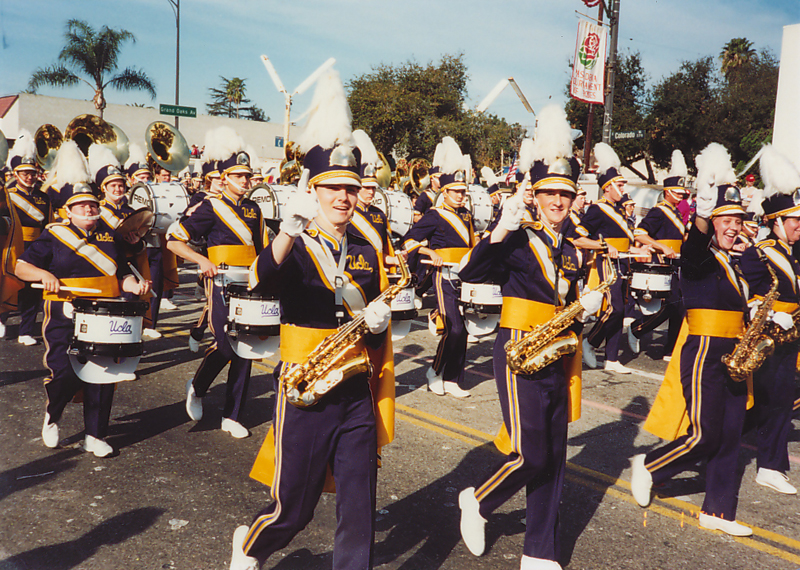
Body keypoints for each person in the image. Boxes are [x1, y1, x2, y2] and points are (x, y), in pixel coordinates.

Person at [229, 69, 394, 570]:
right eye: (332, 188)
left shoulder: (366, 248)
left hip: (354, 388)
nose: (343, 197)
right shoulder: (295, 244)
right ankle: (252, 544)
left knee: (360, 503)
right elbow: (260, 281)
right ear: (314, 190)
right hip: (305, 387)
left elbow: (374, 305)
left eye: (351, 187)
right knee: (294, 508)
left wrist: (381, 319)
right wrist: (285, 233)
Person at [457, 105, 603, 570]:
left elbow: (567, 299)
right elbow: (472, 271)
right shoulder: (518, 236)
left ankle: (539, 551)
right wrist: (500, 226)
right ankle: (477, 500)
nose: (558, 202)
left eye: (565, 194)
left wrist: (587, 308)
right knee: (530, 451)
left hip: (558, 348)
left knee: (555, 454)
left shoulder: (572, 244)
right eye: (550, 194)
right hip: (519, 347)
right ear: (535, 195)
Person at [632, 142, 762, 537]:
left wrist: (751, 256)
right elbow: (692, 247)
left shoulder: (739, 261)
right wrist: (702, 220)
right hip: (705, 351)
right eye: (726, 220)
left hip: (737, 351)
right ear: (712, 220)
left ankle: (718, 511)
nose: (733, 227)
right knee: (706, 434)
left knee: (730, 436)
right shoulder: (700, 259)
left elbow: (759, 285)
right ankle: (651, 466)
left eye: (738, 220)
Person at [14, 172, 150, 457]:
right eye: (81, 205)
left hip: (104, 310)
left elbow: (121, 272)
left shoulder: (109, 235)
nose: (89, 208)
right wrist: (44, 274)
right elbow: (21, 267)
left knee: (102, 372)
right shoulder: (53, 234)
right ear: (68, 212)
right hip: (65, 309)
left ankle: (95, 435)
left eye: (92, 204)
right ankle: (53, 414)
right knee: (64, 372)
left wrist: (134, 286)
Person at [168, 128, 267, 439]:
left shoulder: (255, 209)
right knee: (225, 344)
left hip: (249, 283)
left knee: (247, 346)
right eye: (238, 176)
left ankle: (232, 415)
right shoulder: (209, 206)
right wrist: (202, 261)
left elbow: (263, 250)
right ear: (224, 178)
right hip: (221, 282)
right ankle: (197, 387)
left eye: (247, 176)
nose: (245, 181)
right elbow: (174, 241)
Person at [739, 145, 800, 495]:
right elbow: (743, 293)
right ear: (775, 222)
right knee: (772, 401)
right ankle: (769, 466)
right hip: (768, 336)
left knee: (775, 402)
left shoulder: (794, 254)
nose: (799, 226)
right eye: (794, 220)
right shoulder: (758, 254)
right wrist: (770, 311)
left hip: (792, 336)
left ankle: (767, 460)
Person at [403, 136, 475, 398]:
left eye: (463, 191)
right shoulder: (434, 214)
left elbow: (471, 244)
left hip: (464, 277)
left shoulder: (467, 214)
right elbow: (408, 241)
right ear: (444, 192)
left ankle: (454, 378)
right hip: (443, 277)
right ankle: (434, 371)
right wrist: (428, 250)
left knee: (464, 331)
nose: (460, 195)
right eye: (455, 191)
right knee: (453, 327)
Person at [571, 142, 646, 373]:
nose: (624, 189)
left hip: (623, 262)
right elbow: (577, 238)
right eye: (620, 185)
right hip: (605, 264)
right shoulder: (596, 210)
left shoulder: (621, 211)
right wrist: (602, 246)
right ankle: (590, 341)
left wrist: (638, 250)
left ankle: (612, 359)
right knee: (615, 310)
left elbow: (623, 243)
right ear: (607, 187)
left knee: (621, 309)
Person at [628, 150, 689, 359]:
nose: (682, 196)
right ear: (668, 192)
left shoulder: (677, 213)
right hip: (662, 262)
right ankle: (637, 329)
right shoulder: (658, 211)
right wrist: (661, 247)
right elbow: (640, 233)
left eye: (683, 193)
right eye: (678, 192)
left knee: (679, 306)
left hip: (677, 262)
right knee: (670, 305)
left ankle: (670, 349)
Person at [6, 131, 50, 345]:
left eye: (32, 173)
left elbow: (48, 225)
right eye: (25, 173)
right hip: (11, 244)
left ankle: (26, 330)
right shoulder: (7, 194)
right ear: (16, 173)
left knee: (32, 289)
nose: (30, 177)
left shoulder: (43, 197)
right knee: (8, 282)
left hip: (36, 246)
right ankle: (2, 318)